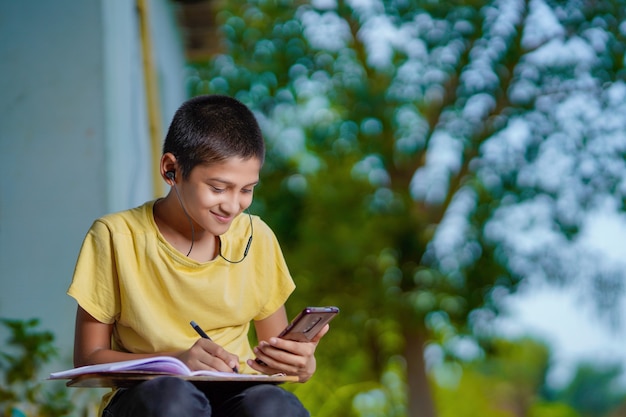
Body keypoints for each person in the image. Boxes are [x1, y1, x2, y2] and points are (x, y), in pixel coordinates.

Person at [68, 95, 328, 417]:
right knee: (172, 401)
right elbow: (88, 357)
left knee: (273, 406)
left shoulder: (255, 238)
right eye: (218, 188)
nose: (233, 206)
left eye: (246, 189)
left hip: (236, 394)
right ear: (171, 170)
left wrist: (301, 364)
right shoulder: (115, 237)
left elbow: (274, 361)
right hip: (150, 398)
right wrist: (177, 361)